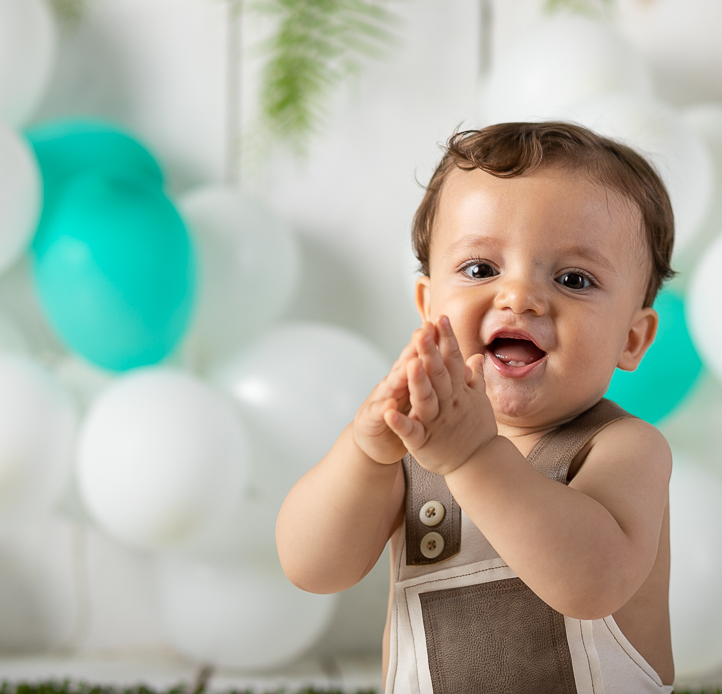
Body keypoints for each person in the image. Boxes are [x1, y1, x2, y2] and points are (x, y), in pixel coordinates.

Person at [276, 121, 676, 693]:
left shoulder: (622, 449)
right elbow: (314, 568)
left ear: (631, 340)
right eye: (480, 269)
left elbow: (591, 585)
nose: (518, 297)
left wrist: (472, 458)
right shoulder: (413, 446)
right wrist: (365, 452)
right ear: (428, 304)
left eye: (572, 278)